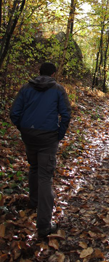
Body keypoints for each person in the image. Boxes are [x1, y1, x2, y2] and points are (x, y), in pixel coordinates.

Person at [10, 62, 71, 237]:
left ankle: (34, 201)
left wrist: (24, 128)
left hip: (30, 135)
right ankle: (44, 225)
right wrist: (59, 134)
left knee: (34, 167)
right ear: (53, 74)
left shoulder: (26, 88)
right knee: (45, 175)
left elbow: (14, 113)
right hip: (48, 136)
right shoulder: (58, 89)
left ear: (39, 73)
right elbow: (66, 114)